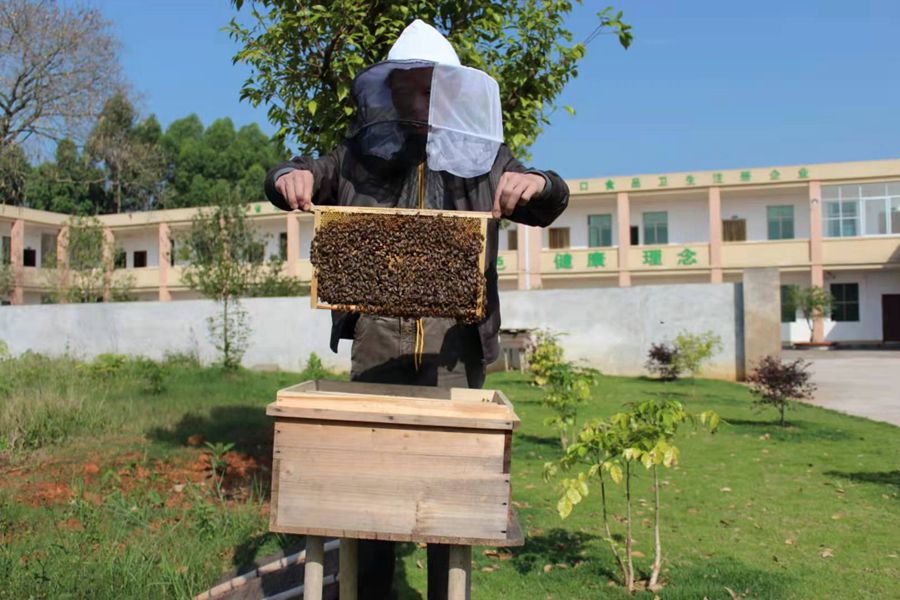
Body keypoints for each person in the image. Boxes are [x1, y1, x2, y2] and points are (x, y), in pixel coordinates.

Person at [265, 19, 568, 600]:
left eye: (427, 88)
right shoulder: (358, 155)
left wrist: (537, 183)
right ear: (389, 91)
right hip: (377, 341)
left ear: (450, 89)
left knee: (450, 496)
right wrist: (289, 175)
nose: (415, 100)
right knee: (372, 488)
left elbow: (549, 199)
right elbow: (300, 173)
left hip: (455, 347)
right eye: (406, 88)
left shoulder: (487, 157)